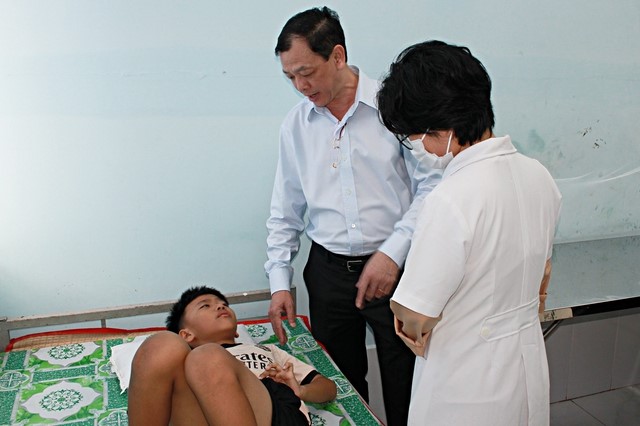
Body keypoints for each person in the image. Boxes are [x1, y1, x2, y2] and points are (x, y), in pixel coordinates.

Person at [265, 6, 440, 425]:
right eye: (290, 77)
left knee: (407, 380)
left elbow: (432, 187)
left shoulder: (393, 108)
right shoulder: (296, 125)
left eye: (306, 72)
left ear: (338, 56)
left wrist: (393, 253)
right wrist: (279, 281)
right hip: (328, 274)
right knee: (339, 386)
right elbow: (285, 209)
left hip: (396, 270)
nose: (300, 86)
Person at [376, 40, 562, 425]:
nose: (418, 146)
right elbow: (541, 276)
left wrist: (407, 318)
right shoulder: (539, 176)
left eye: (416, 135)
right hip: (525, 367)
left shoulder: (449, 199)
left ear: (442, 125)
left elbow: (414, 314)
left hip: (466, 384)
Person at [127, 286, 336, 426]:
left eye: (223, 304)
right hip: (198, 415)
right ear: (186, 335)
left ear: (236, 332)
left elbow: (328, 389)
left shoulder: (265, 351)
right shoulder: (182, 363)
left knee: (207, 357)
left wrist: (300, 390)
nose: (220, 306)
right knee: (161, 345)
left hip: (271, 413)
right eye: (205, 305)